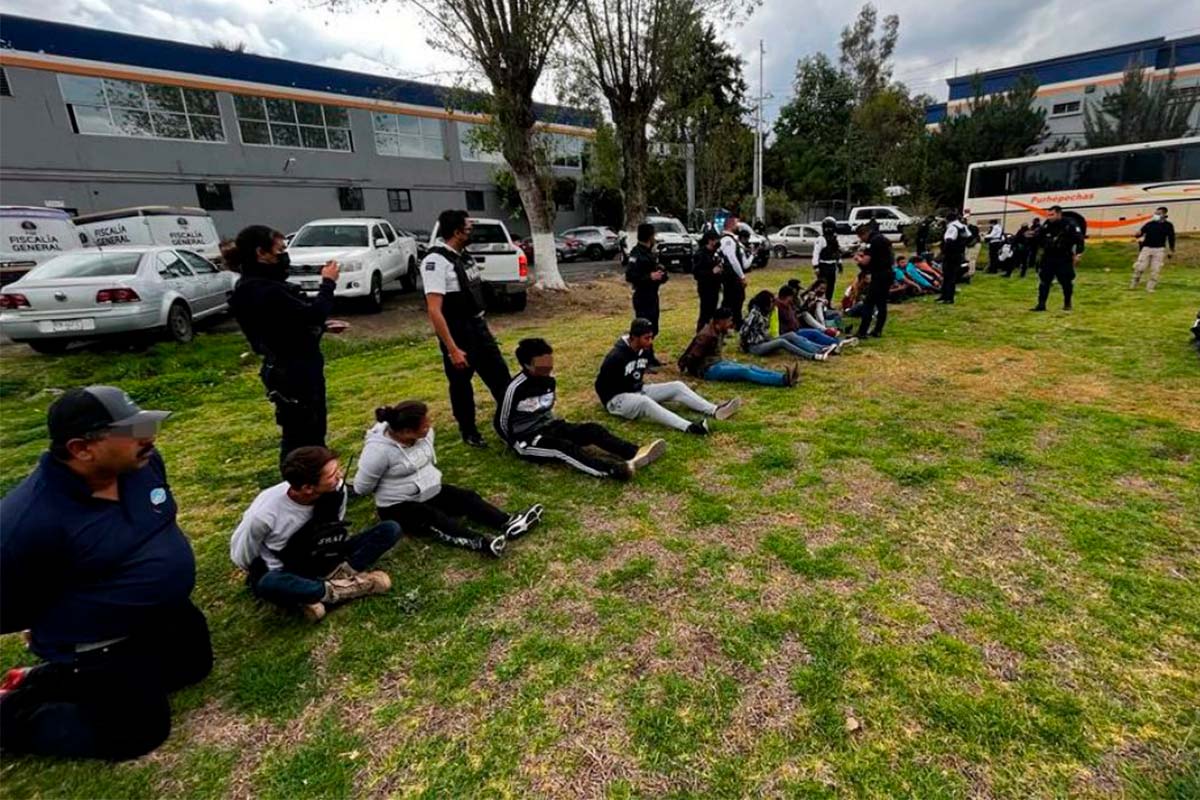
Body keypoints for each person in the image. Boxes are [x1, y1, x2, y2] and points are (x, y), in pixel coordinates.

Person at [0, 386, 212, 760]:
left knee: (193, 667)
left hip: (161, 615)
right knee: (140, 730)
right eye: (131, 432)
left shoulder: (142, 466)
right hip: (101, 640)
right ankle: (13, 716)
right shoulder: (28, 521)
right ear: (82, 449)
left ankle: (47, 679)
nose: (148, 438)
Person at [230, 446, 401, 622]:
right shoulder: (263, 515)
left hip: (327, 554)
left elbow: (335, 525)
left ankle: (323, 588)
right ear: (307, 488)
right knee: (268, 583)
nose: (340, 476)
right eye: (332, 475)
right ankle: (344, 588)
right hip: (289, 569)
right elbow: (241, 556)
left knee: (390, 529)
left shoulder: (336, 489)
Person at [354, 401, 544, 558]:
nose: (429, 426)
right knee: (433, 517)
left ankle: (509, 522)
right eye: (424, 425)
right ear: (405, 432)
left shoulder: (426, 434)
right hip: (397, 506)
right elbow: (362, 487)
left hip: (428, 490)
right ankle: (481, 542)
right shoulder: (377, 452)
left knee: (467, 498)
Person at [228, 225, 349, 466]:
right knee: (302, 432)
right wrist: (328, 282)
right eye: (280, 249)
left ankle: (322, 481)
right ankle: (302, 486)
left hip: (298, 364)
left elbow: (285, 323)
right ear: (261, 253)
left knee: (313, 427)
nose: (285, 255)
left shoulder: (264, 287)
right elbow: (311, 314)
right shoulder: (260, 289)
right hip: (291, 370)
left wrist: (321, 328)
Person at [496, 338, 666, 480]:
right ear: (527, 365)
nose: (548, 366)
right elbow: (501, 421)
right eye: (541, 363)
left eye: (549, 361)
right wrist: (514, 443)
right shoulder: (515, 388)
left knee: (592, 430)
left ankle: (635, 452)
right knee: (563, 447)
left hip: (549, 426)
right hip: (526, 437)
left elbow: (545, 408)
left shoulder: (549, 381)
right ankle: (610, 470)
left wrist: (554, 425)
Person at [424, 209, 513, 448]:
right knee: (461, 385)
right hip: (458, 331)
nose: (472, 232)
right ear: (456, 232)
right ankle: (469, 430)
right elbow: (434, 310)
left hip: (477, 327)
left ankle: (512, 421)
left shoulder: (462, 256)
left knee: (500, 376)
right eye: (469, 229)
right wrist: (452, 348)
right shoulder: (436, 261)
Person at [595, 318, 740, 435]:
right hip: (616, 399)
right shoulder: (615, 356)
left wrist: (637, 387)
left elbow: (636, 375)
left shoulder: (644, 350)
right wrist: (610, 402)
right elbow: (599, 384)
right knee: (644, 402)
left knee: (677, 386)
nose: (650, 342)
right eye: (646, 338)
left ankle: (715, 410)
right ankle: (689, 427)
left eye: (651, 337)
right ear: (633, 337)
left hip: (636, 390)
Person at [679, 307, 797, 387]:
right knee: (744, 371)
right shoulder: (707, 335)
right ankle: (782, 381)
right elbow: (693, 355)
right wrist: (691, 372)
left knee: (750, 366)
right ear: (720, 321)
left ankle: (783, 376)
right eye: (729, 321)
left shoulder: (717, 330)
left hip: (717, 363)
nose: (731, 324)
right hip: (707, 370)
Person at [742, 290, 834, 362]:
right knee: (781, 342)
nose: (772, 305)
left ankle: (820, 348)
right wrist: (745, 347)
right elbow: (743, 331)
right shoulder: (754, 314)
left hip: (764, 341)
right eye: (771, 302)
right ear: (764, 303)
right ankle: (812, 356)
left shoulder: (765, 313)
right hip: (755, 347)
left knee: (791, 335)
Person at [624, 222, 668, 366]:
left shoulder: (651, 253)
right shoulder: (636, 254)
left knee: (653, 328)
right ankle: (640, 359)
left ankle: (650, 357)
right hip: (642, 296)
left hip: (652, 295)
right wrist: (649, 277)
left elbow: (660, 274)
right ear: (650, 236)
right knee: (643, 329)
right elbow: (630, 276)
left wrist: (661, 274)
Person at [1031, 205, 1085, 312]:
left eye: (1052, 215)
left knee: (1066, 281)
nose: (1049, 217)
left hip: (1063, 257)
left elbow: (1079, 240)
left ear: (1059, 214)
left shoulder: (1070, 224)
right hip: (1048, 256)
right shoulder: (1047, 224)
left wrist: (1078, 254)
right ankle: (1041, 305)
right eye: (1048, 215)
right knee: (1044, 281)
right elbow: (1040, 237)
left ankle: (1067, 303)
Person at [852, 222, 893, 338]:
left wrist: (858, 258)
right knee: (882, 303)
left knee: (868, 304)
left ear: (864, 234)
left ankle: (862, 331)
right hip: (888, 273)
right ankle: (878, 330)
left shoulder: (872, 242)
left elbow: (866, 261)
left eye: (861, 237)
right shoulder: (883, 238)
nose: (862, 240)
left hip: (879, 275)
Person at [1131, 206, 1175, 293]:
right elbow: (1139, 234)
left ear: (1164, 215)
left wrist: (1171, 249)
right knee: (1140, 267)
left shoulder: (1168, 225)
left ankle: (1150, 287)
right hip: (1146, 248)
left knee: (1155, 270)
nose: (1156, 215)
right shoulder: (1150, 224)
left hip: (1159, 250)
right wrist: (1137, 234)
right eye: (1155, 213)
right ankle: (1134, 283)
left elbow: (1171, 238)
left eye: (1158, 214)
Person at [717, 213, 749, 327]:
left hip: (731, 276)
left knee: (735, 299)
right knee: (733, 299)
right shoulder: (727, 240)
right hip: (731, 276)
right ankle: (733, 322)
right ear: (730, 224)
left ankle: (733, 321)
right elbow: (732, 259)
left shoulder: (730, 239)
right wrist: (742, 276)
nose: (738, 226)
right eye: (736, 223)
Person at [692, 230, 724, 332]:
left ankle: (711, 332)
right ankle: (701, 333)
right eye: (716, 240)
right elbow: (697, 273)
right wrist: (712, 272)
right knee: (705, 313)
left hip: (714, 286)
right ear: (710, 241)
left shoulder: (714, 253)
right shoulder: (701, 254)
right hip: (706, 288)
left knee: (712, 311)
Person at [937, 211, 970, 304]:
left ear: (948, 219)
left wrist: (944, 252)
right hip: (959, 254)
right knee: (951, 275)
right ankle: (944, 295)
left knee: (948, 276)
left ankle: (948, 298)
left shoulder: (952, 227)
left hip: (950, 255)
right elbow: (969, 236)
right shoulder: (962, 226)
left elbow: (949, 240)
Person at [812, 216, 843, 301]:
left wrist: (839, 263)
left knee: (831, 286)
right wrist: (816, 266)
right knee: (822, 286)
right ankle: (819, 302)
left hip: (832, 265)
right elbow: (816, 253)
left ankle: (828, 303)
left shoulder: (834, 239)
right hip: (823, 265)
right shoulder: (821, 239)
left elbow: (837, 252)